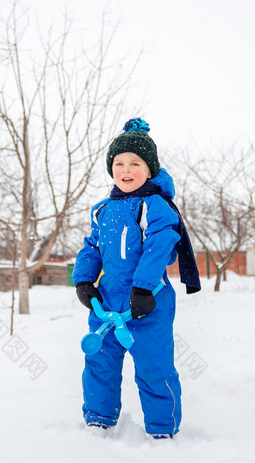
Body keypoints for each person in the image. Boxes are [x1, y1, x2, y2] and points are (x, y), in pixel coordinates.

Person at [73, 118, 200, 439]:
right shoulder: (103, 209)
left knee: (154, 367)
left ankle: (162, 429)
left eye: (135, 163)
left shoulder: (155, 205)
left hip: (149, 302)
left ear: (149, 168)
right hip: (108, 303)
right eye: (119, 163)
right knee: (99, 363)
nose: (126, 169)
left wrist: (143, 287)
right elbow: (92, 246)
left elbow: (161, 245)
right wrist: (84, 281)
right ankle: (98, 420)